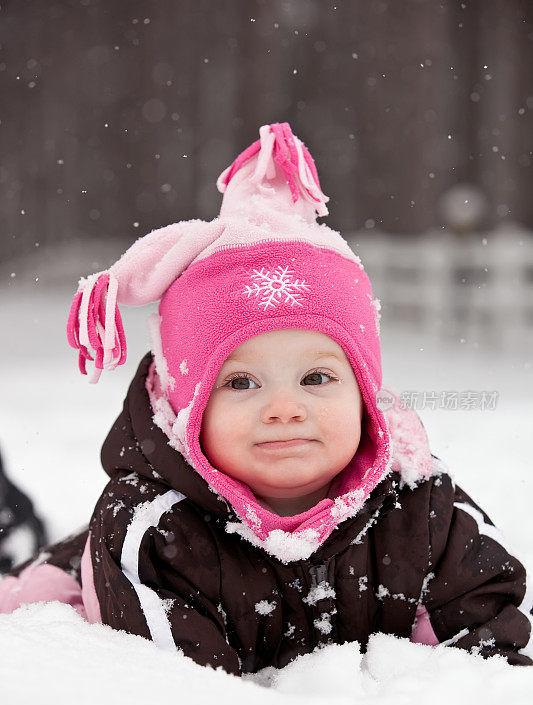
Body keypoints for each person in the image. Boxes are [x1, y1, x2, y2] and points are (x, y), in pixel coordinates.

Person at [0, 122, 531, 671]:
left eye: (317, 379)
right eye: (241, 382)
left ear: (365, 397)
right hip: (69, 588)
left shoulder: (422, 506)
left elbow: (487, 650)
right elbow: (177, 704)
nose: (284, 407)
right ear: (187, 411)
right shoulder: (153, 535)